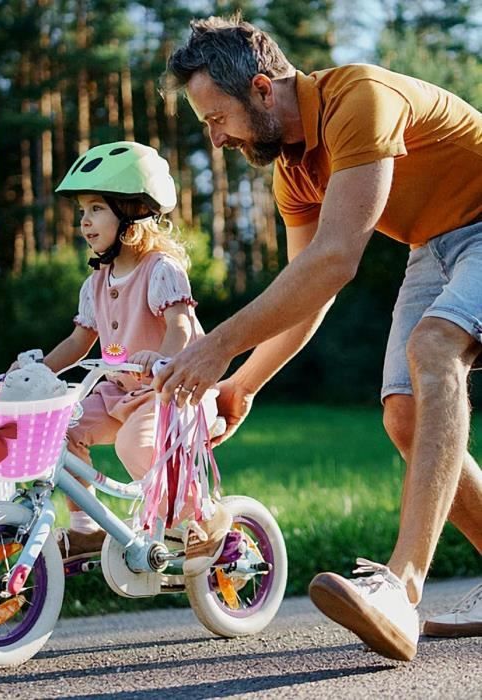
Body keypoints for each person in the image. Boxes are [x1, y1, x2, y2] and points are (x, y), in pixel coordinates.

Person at [154, 15, 482, 661]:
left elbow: (337, 259)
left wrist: (218, 343)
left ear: (261, 89)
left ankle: (401, 588)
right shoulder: (293, 173)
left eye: (217, 119)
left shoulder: (358, 97)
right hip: (433, 246)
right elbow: (311, 291)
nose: (215, 139)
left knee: (433, 348)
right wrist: (242, 384)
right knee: (406, 416)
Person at [10, 141, 230, 575]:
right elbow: (78, 342)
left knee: (136, 444)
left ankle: (204, 515)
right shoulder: (96, 282)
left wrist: (162, 359)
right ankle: (87, 529)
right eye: (82, 212)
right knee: (61, 428)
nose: (85, 221)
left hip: (170, 394)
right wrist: (36, 372)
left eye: (96, 208)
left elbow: (181, 327)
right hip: (118, 390)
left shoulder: (160, 269)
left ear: (132, 212)